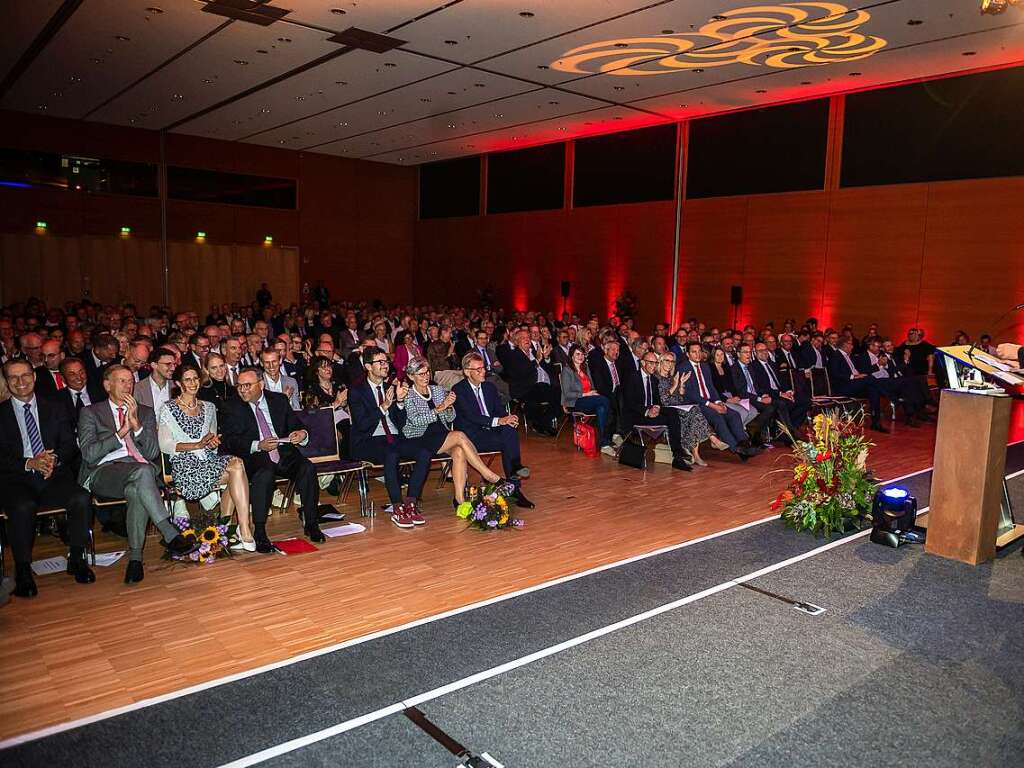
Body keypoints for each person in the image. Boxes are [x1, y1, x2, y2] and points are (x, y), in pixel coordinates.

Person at [78, 365, 198, 584]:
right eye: (121, 381)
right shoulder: (91, 412)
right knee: (142, 473)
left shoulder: (144, 411)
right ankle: (169, 533)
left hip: (139, 472)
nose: (128, 385)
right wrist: (121, 432)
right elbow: (89, 454)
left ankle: (135, 560)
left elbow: (152, 453)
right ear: (107, 385)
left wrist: (137, 426)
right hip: (103, 472)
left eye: (130, 381)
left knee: (136, 489)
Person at [0, 360, 94, 597]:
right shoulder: (0, 414)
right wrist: (29, 462)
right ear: (6, 381)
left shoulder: (54, 407)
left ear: (34, 376)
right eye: (13, 377)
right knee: (23, 506)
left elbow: (69, 445)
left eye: (25, 376)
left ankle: (77, 557)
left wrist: (54, 460)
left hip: (53, 474)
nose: (21, 382)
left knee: (81, 498)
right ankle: (23, 570)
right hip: (16, 478)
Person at [219, 368, 323, 550]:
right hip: (254, 454)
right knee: (264, 473)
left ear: (261, 384)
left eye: (247, 385)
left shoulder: (279, 400)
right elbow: (229, 441)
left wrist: (302, 434)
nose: (242, 390)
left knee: (307, 468)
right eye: (239, 386)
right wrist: (258, 445)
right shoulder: (231, 406)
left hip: (282, 450)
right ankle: (259, 531)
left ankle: (311, 523)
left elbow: (297, 425)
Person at [157, 363, 255, 551]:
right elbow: (165, 445)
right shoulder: (168, 409)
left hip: (207, 461)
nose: (193, 383)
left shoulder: (209, 407)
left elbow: (210, 441)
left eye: (195, 378)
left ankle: (242, 528)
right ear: (178, 383)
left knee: (237, 465)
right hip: (185, 466)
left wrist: (211, 443)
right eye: (188, 379)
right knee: (237, 471)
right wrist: (197, 444)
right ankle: (231, 527)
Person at [402, 357, 508, 517]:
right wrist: (440, 408)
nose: (425, 377)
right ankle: (488, 475)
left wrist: (449, 408)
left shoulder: (436, 390)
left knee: (459, 451)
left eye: (427, 373)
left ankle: (459, 499)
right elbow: (416, 422)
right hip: (419, 437)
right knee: (459, 435)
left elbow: (450, 418)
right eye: (421, 374)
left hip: (441, 435)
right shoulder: (408, 395)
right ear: (411, 376)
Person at [347, 348, 434, 525]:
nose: (386, 365)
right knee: (391, 454)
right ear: (368, 366)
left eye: (386, 361)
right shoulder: (356, 390)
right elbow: (362, 424)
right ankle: (397, 507)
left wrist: (400, 402)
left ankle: (410, 503)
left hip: (394, 437)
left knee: (424, 452)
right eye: (381, 362)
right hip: (368, 440)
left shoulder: (392, 387)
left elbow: (401, 423)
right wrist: (383, 407)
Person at [454, 352, 533, 507]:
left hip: (490, 431)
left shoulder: (489, 387)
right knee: (506, 437)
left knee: (509, 431)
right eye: (478, 369)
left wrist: (508, 418)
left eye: (483, 368)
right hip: (472, 437)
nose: (483, 372)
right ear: (467, 372)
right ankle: (513, 483)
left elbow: (499, 410)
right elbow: (472, 417)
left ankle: (514, 482)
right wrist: (500, 420)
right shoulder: (459, 390)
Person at [680, 342, 755, 460]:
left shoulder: (705, 366)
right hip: (696, 404)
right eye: (694, 352)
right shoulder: (683, 367)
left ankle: (744, 444)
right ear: (688, 354)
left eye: (699, 351)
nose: (698, 354)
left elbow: (711, 387)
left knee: (734, 414)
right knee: (717, 417)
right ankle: (736, 448)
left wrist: (719, 402)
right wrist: (712, 405)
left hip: (711, 400)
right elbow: (690, 394)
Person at [619, 352, 691, 471]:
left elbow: (657, 400)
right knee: (670, 417)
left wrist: (656, 408)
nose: (654, 366)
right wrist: (647, 411)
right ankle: (678, 453)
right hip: (636, 415)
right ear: (642, 363)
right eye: (651, 363)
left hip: (651, 412)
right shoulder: (632, 378)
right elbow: (630, 403)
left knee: (673, 413)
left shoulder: (653, 379)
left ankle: (677, 457)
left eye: (656, 363)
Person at [653, 352, 717, 466]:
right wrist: (675, 384)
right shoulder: (656, 377)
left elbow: (680, 397)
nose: (670, 364)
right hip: (667, 410)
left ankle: (698, 453)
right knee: (695, 413)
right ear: (660, 361)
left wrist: (681, 384)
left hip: (679, 407)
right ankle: (711, 438)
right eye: (667, 360)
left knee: (695, 413)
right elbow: (663, 400)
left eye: (672, 361)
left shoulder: (672, 377)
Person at [504, 329, 561, 435]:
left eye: (528, 338)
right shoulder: (514, 355)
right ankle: (542, 424)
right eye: (523, 338)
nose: (527, 340)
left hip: (542, 386)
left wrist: (547, 357)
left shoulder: (534, 352)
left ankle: (542, 423)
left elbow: (549, 368)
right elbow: (523, 372)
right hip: (524, 388)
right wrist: (537, 360)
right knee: (541, 392)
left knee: (559, 393)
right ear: (517, 341)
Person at [559, 344, 613, 455]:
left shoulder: (585, 368)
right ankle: (608, 438)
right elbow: (567, 393)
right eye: (577, 354)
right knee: (605, 401)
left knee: (602, 408)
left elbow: (592, 387)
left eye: (582, 354)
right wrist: (586, 394)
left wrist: (593, 393)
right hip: (574, 402)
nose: (580, 356)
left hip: (589, 400)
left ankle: (604, 444)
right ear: (572, 356)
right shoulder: (567, 370)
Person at [828, 338, 887, 432]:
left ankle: (876, 422)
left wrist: (858, 375)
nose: (852, 346)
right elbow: (834, 374)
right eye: (851, 344)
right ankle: (888, 393)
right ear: (844, 345)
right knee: (870, 379)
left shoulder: (849, 356)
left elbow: (856, 371)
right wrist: (853, 376)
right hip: (843, 386)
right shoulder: (835, 355)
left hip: (853, 384)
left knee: (873, 390)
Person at [134, 346, 176, 414]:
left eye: (174, 364)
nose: (173, 368)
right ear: (154, 365)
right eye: (168, 364)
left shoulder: (177, 387)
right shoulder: (138, 389)